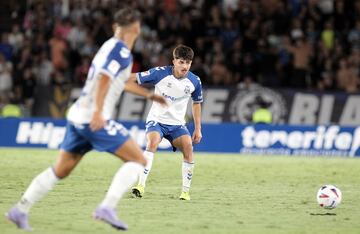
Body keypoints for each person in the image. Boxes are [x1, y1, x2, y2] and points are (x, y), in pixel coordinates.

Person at [5, 7, 167, 231]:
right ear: (136, 28)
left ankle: (19, 210)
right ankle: (107, 207)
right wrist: (99, 112)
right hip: (93, 119)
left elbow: (118, 81)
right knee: (139, 160)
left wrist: (149, 94)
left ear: (115, 27)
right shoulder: (121, 51)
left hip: (78, 116)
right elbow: (103, 79)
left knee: (60, 170)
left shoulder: (110, 46)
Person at [130, 45, 203, 201]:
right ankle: (140, 185)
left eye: (188, 63)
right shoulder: (159, 73)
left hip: (177, 125)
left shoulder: (195, 81)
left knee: (188, 147)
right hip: (157, 120)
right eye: (181, 62)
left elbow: (196, 103)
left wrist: (198, 129)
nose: (185, 66)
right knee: (153, 142)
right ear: (174, 61)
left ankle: (185, 192)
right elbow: (134, 77)